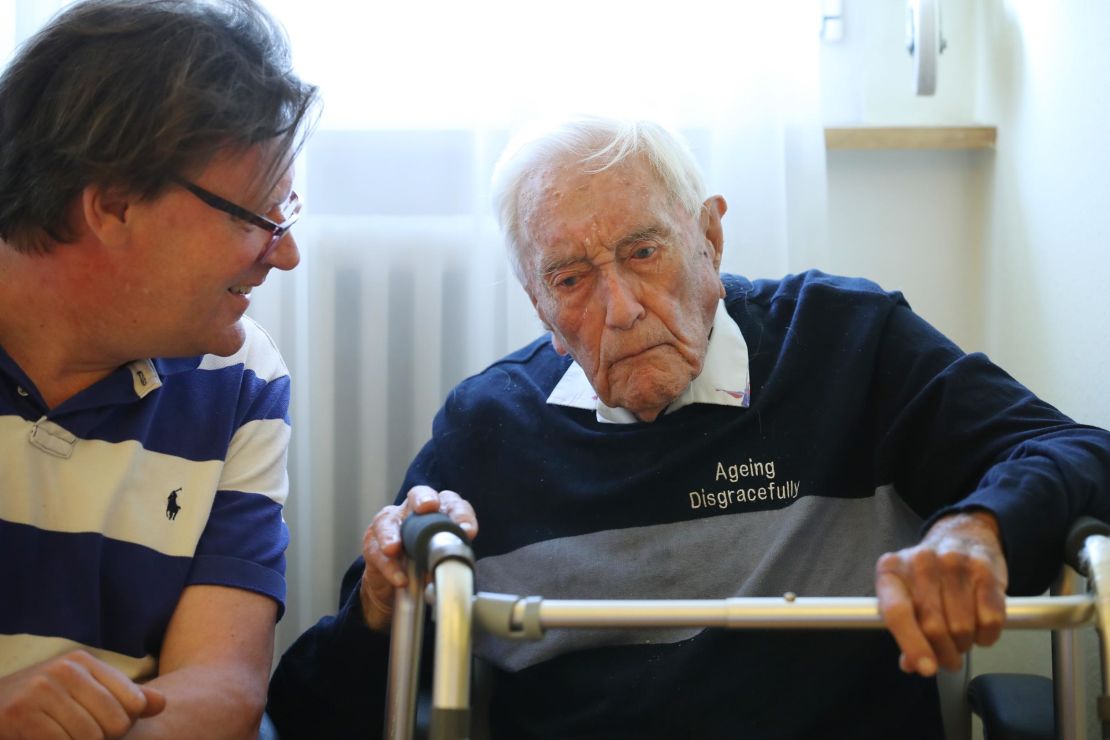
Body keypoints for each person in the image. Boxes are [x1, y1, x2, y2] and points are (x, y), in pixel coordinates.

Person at [267, 118, 1110, 739]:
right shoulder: (486, 429)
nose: (621, 309)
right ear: (538, 304)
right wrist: (379, 606)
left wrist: (980, 524)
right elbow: (310, 711)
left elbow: (1080, 452)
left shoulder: (850, 342)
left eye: (644, 252)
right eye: (569, 277)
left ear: (709, 236)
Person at [0, 1, 317, 737]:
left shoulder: (239, 379)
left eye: (287, 212)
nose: (287, 253)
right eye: (256, 218)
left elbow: (225, 685)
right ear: (113, 205)